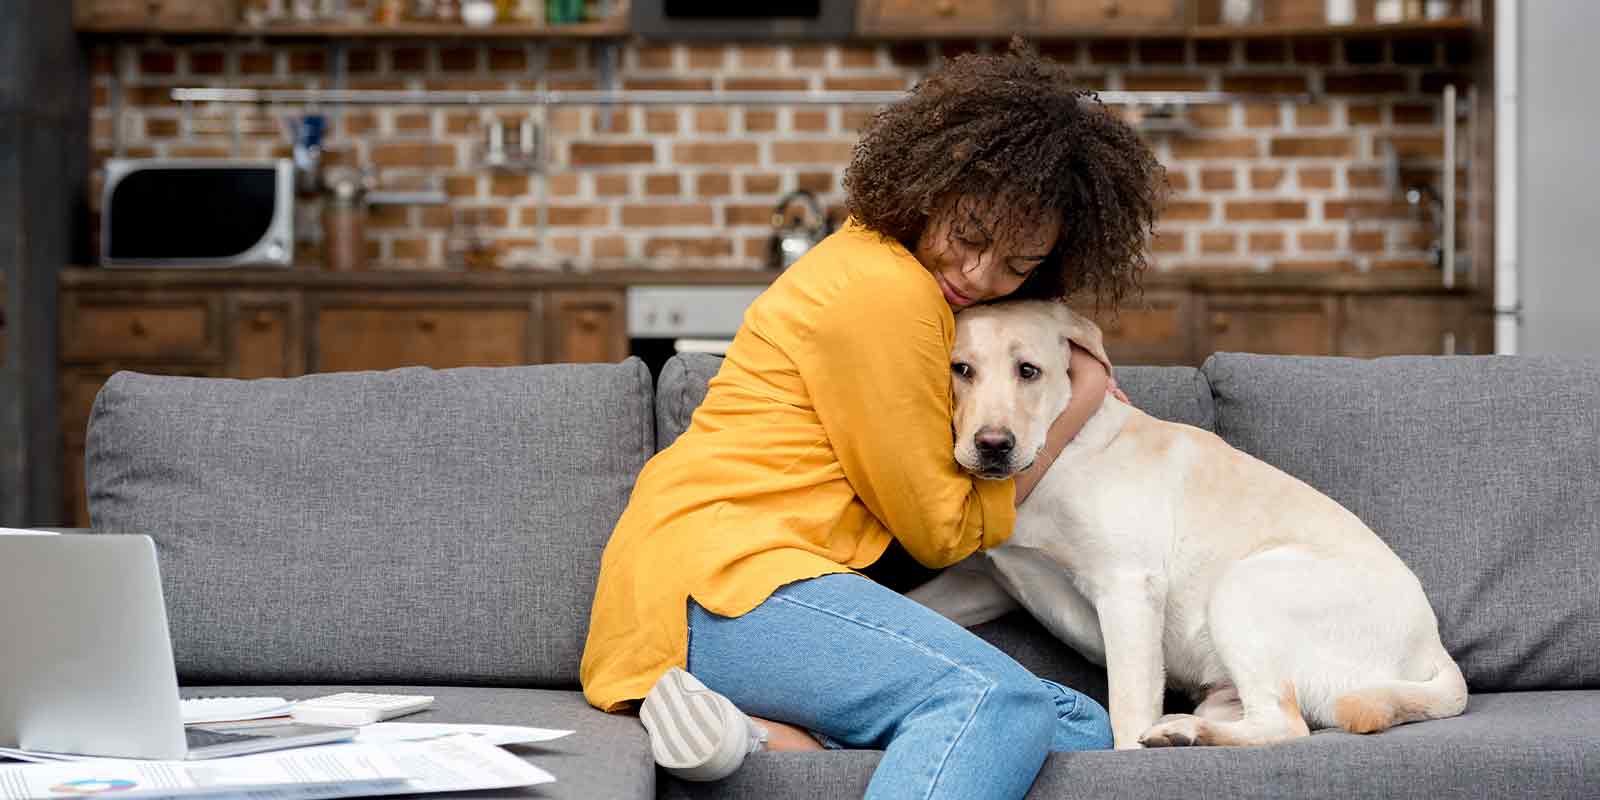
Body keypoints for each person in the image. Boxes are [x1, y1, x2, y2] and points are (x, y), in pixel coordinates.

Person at [580, 40, 1166, 799]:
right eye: (971, 235)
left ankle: (757, 734)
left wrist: (1044, 331)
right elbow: (941, 531)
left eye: (1017, 266)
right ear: (930, 187)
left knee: (1078, 726)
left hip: (756, 589)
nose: (978, 276)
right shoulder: (884, 294)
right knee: (994, 699)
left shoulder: (886, 272)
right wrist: (1078, 395)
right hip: (726, 582)